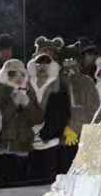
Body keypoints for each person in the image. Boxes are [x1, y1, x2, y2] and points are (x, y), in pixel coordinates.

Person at [25, 50, 71, 179]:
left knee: (49, 181)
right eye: (39, 63)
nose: (42, 66)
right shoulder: (26, 85)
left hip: (51, 143)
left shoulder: (60, 86)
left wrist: (46, 134)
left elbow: (62, 115)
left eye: (46, 63)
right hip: (29, 145)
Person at [0, 59, 40, 185]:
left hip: (24, 147)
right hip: (4, 149)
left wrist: (27, 103)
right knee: (5, 186)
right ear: (4, 75)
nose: (18, 77)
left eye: (22, 74)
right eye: (12, 73)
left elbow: (37, 119)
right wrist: (14, 103)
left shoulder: (29, 92)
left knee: (22, 186)